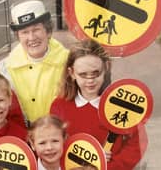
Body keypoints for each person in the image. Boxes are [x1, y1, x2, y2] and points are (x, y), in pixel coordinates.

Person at [50, 40, 148, 170]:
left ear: (106, 67)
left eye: (95, 73)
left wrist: (111, 166)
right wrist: (92, 157)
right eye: (83, 75)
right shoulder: (59, 106)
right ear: (71, 73)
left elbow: (138, 142)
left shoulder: (122, 103)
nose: (90, 80)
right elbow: (52, 144)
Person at [0, 0, 69, 125]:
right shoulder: (5, 69)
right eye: (24, 32)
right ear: (18, 36)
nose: (31, 38)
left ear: (47, 31)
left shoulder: (69, 62)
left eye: (36, 29)